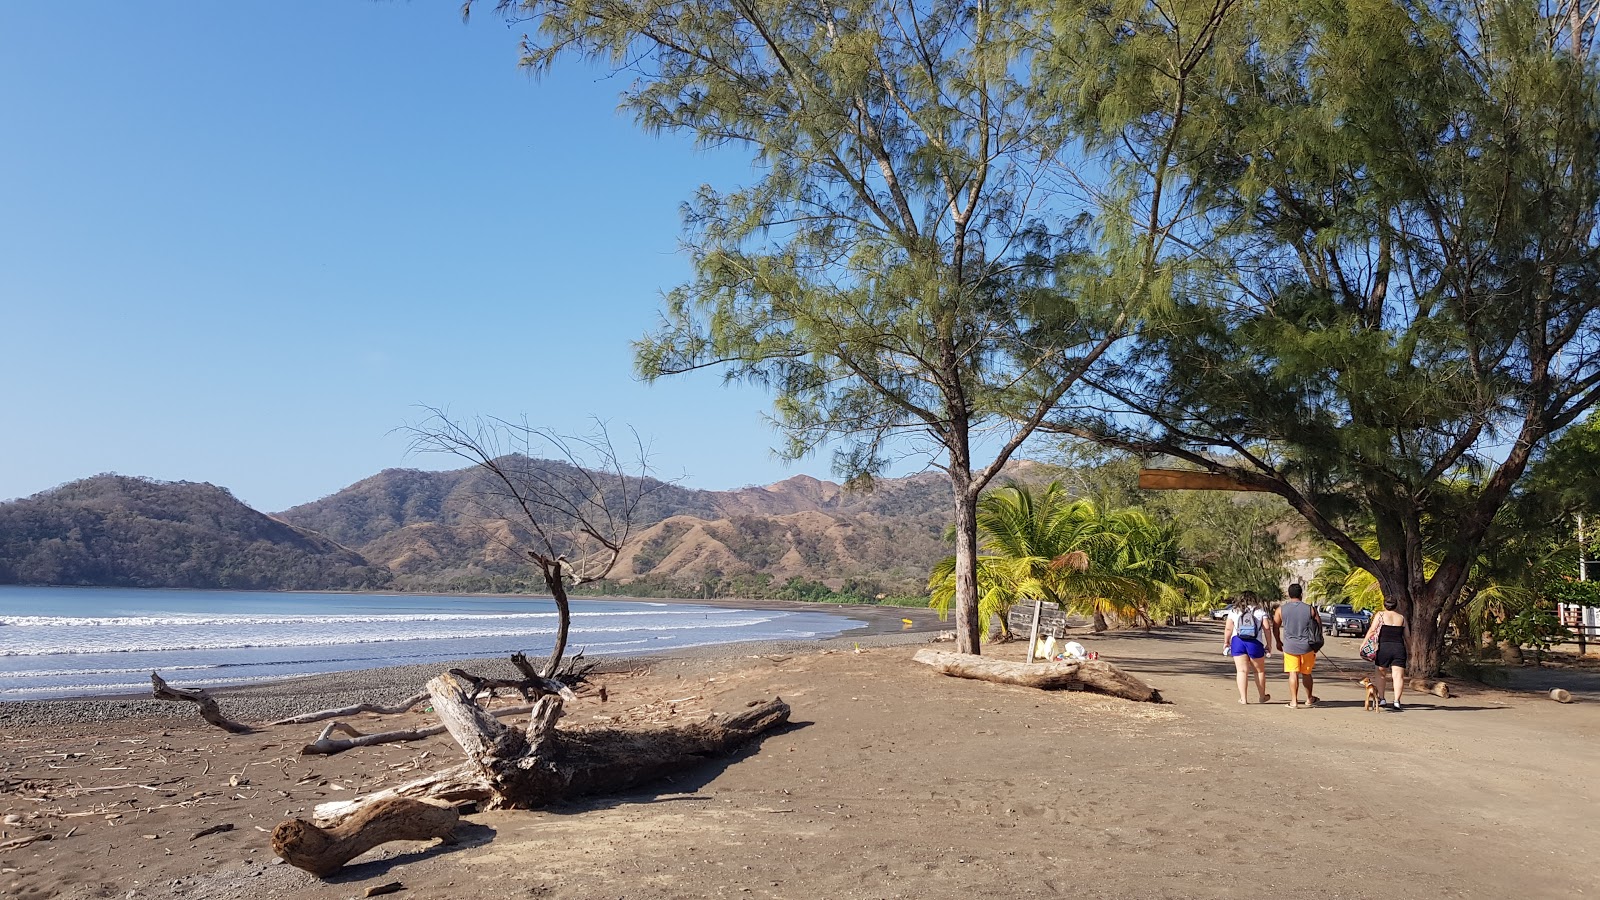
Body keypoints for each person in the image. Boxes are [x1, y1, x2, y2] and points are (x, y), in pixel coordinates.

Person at [1274, 583, 1322, 708]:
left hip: (1290, 646)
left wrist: (1278, 641)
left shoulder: (1281, 610)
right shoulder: (1310, 609)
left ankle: (1294, 701)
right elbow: (1318, 626)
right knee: (1306, 673)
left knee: (1293, 673)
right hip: (1307, 646)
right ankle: (1309, 699)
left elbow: (1275, 626)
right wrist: (1317, 644)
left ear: (1289, 595)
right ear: (1301, 594)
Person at [1223, 591, 1272, 704]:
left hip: (1238, 642)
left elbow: (1228, 629)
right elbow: (1267, 629)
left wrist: (1226, 642)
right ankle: (1262, 697)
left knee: (1242, 671)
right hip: (1255, 643)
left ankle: (1243, 698)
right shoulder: (1260, 611)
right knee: (1259, 671)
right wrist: (1269, 645)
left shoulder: (1234, 611)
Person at [1367, 598, 1408, 710]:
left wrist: (1364, 643)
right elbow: (1407, 636)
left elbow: (1372, 630)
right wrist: (1410, 650)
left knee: (1381, 673)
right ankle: (1396, 701)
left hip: (1384, 648)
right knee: (1398, 676)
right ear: (1396, 605)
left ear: (1384, 605)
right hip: (1398, 648)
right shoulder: (1402, 618)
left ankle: (1382, 699)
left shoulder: (1380, 615)